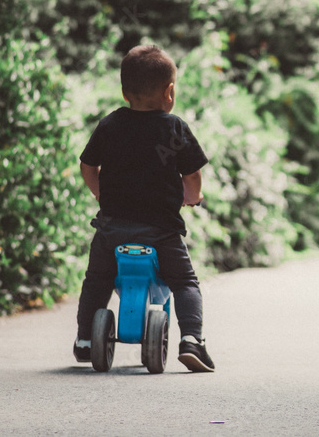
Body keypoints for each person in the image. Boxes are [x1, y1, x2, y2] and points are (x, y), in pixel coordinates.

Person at [73, 45, 215, 372]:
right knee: (185, 283)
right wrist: (192, 197)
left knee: (97, 279)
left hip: (112, 229)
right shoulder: (175, 128)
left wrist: (99, 195)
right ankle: (192, 340)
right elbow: (191, 175)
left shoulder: (110, 125)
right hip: (161, 231)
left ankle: (84, 339)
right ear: (170, 92)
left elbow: (87, 165)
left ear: (124, 92)